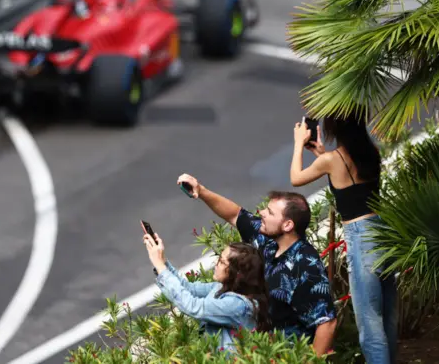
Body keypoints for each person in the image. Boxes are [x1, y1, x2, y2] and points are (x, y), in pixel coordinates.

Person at [176, 174, 338, 356]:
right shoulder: (268, 241)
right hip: (257, 345)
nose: (261, 212)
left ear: (287, 225)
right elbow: (236, 215)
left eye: (269, 212)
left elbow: (327, 323)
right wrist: (201, 190)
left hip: (283, 354)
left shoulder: (306, 266)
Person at [290, 114, 398, 364]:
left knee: (370, 324)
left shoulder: (332, 160)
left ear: (336, 127)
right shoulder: (370, 152)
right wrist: (322, 154)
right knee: (388, 316)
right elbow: (352, 186)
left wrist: (298, 143)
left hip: (361, 238)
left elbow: (296, 178)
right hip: (384, 232)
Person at [142, 231, 270, 351]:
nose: (216, 263)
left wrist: (160, 267)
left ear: (237, 274)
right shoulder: (223, 287)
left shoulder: (238, 305)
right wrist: (162, 261)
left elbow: (193, 306)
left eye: (221, 262)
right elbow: (188, 288)